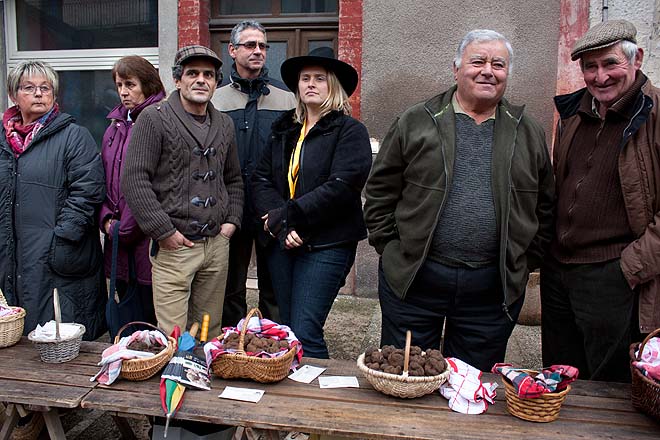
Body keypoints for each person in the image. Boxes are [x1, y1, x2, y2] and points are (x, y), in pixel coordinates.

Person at [363, 29, 555, 372]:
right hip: (416, 279)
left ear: (507, 73)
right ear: (456, 69)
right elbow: (379, 191)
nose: (488, 70)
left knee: (471, 386)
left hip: (490, 289)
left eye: (498, 64)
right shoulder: (417, 120)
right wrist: (391, 248)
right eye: (477, 61)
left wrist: (522, 262)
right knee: (406, 375)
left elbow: (544, 204)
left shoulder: (527, 130)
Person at [542, 19, 660, 382]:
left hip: (613, 273)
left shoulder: (655, 115)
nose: (600, 76)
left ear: (636, 58)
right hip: (560, 272)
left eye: (611, 64)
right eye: (590, 67)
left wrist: (629, 268)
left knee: (609, 389)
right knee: (560, 379)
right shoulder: (575, 113)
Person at [252, 47, 372, 358]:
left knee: (306, 329)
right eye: (305, 78)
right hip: (283, 239)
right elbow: (261, 179)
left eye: (320, 78)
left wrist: (290, 218)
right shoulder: (283, 129)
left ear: (333, 86)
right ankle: (294, 395)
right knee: (288, 327)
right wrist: (281, 223)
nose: (310, 84)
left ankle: (323, 403)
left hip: (326, 243)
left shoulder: (349, 131)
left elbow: (341, 187)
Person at [122, 45, 244, 338]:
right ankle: (175, 383)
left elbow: (234, 178)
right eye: (192, 73)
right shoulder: (153, 118)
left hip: (215, 245)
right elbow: (135, 179)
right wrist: (163, 231)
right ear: (178, 80)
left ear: (216, 82)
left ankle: (203, 379)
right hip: (174, 246)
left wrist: (231, 223)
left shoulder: (225, 124)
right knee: (173, 334)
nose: (201, 80)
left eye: (208, 75)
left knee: (208, 330)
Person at [0, 60, 107, 340]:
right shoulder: (2, 141)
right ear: (13, 95)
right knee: (16, 340)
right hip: (11, 255)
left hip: (59, 254)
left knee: (59, 337)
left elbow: (88, 190)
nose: (38, 94)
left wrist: (62, 236)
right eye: (29, 88)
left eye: (45, 88)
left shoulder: (74, 136)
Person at [212, 20, 296, 327]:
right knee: (229, 289)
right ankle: (232, 348)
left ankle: (274, 347)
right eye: (250, 45)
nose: (258, 51)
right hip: (229, 208)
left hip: (271, 208)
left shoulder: (286, 98)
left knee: (273, 288)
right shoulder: (215, 99)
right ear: (232, 51)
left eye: (262, 45)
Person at [100, 56, 166, 333]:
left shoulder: (160, 120)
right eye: (119, 85)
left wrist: (126, 226)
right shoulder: (114, 127)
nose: (124, 92)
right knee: (127, 314)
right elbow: (102, 179)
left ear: (147, 85)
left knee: (150, 316)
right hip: (118, 238)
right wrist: (105, 219)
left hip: (147, 238)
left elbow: (155, 183)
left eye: (130, 84)